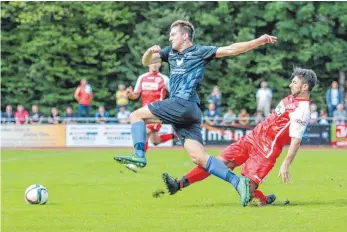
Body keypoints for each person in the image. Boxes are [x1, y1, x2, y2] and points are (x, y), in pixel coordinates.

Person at [114, 20, 277, 207]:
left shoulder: (200, 51)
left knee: (136, 115)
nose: (170, 38)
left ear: (184, 36)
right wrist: (150, 52)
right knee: (199, 158)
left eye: (173, 34)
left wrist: (259, 41)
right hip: (190, 111)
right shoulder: (169, 53)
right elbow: (146, 62)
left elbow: (232, 49)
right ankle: (238, 183)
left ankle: (139, 154)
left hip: (181, 103)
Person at [162, 67, 317, 207]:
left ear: (305, 87)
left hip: (266, 149)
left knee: (248, 189)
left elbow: (296, 140)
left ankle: (263, 199)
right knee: (218, 163)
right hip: (252, 138)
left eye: (294, 82)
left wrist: (286, 164)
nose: (290, 85)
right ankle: (179, 184)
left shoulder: (302, 109)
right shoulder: (290, 99)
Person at [119, 63, 177, 154]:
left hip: (157, 112)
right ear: (148, 63)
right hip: (144, 112)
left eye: (157, 62)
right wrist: (129, 95)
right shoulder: (142, 77)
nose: (154, 65)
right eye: (152, 62)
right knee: (155, 141)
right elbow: (135, 95)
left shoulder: (164, 79)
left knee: (143, 132)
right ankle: (176, 136)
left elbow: (175, 95)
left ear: (160, 64)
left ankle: (138, 158)